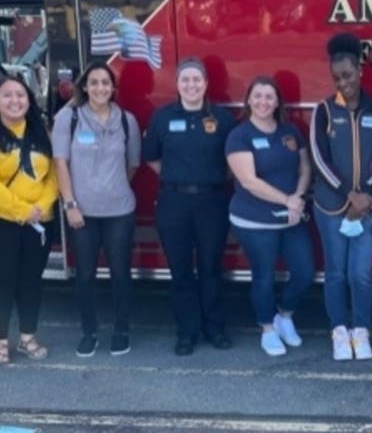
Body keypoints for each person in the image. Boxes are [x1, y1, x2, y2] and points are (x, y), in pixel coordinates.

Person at [142, 57, 235, 356]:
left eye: (197, 80)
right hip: (174, 203)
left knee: (210, 268)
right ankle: (187, 333)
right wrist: (176, 178)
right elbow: (152, 158)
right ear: (177, 84)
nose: (191, 85)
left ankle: (215, 328)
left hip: (212, 202)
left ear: (206, 84)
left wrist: (209, 180)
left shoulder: (222, 118)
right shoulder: (162, 117)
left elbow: (234, 162)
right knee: (180, 270)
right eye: (186, 80)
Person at [310, 33, 372, 361]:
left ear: (360, 71)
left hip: (369, 207)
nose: (343, 82)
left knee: (360, 273)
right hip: (331, 208)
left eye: (348, 75)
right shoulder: (324, 112)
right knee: (336, 273)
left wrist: (367, 196)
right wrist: (349, 194)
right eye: (337, 77)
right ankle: (339, 331)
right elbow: (319, 158)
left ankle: (361, 330)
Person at [52, 61, 142, 358]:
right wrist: (70, 204)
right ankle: (89, 332)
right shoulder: (69, 118)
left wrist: (111, 187)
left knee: (120, 273)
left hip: (119, 210)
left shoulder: (127, 120)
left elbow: (133, 164)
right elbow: (60, 163)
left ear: (113, 88)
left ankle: (121, 329)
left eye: (105, 82)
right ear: (85, 86)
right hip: (82, 212)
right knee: (86, 275)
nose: (100, 88)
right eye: (94, 82)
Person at [225, 76, 313, 357]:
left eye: (269, 97)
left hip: (290, 217)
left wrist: (297, 199)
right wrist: (286, 200)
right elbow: (249, 181)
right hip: (254, 220)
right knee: (263, 276)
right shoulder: (239, 135)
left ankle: (284, 316)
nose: (263, 102)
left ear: (277, 103)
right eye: (258, 96)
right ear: (249, 100)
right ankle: (267, 329)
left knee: (304, 272)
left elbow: (305, 167)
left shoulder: (290, 132)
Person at [0, 73, 58, 364]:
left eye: (20, 95)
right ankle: (0, 341)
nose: (15, 101)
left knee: (30, 281)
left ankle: (27, 337)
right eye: (7, 95)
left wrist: (41, 206)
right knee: (3, 281)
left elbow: (53, 176)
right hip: (5, 221)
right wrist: (22, 210)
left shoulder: (40, 132)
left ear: (29, 100)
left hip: (38, 222)